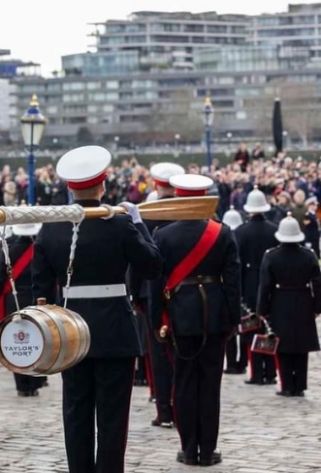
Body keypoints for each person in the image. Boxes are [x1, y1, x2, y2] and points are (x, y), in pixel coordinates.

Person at [32, 145, 162, 473]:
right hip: (114, 329)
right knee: (113, 418)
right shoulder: (119, 224)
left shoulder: (52, 226)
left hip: (69, 329)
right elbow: (152, 265)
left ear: (69, 187)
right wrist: (138, 223)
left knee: (76, 412)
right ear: (103, 185)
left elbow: (40, 285)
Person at [149, 174, 241, 467]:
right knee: (210, 386)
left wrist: (155, 321)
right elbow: (233, 282)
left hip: (178, 317)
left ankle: (189, 448)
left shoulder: (162, 235)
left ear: (177, 197)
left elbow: (154, 284)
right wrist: (232, 320)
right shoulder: (223, 233)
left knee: (184, 383)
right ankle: (207, 449)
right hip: (214, 317)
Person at [133, 161, 184, 429]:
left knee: (159, 356)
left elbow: (135, 261)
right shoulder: (189, 214)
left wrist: (135, 294)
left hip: (150, 292)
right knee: (184, 356)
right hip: (185, 293)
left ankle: (164, 410)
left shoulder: (144, 218)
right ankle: (183, 407)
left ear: (155, 185)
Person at [257, 214, 321, 397]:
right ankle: (300, 385)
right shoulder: (309, 255)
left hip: (280, 300)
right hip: (303, 301)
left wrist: (262, 309)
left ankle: (286, 385)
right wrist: (317, 307)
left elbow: (265, 285)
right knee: (301, 347)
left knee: (282, 346)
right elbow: (317, 283)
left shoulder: (271, 256)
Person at [0, 222, 46, 397]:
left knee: (16, 343)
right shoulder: (40, 250)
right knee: (38, 341)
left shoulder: (7, 250)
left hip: (12, 301)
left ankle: (22, 385)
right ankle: (36, 381)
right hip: (35, 299)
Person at [237, 188, 279, 385]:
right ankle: (271, 371)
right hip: (272, 283)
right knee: (268, 326)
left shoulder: (240, 232)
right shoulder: (275, 229)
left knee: (252, 328)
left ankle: (256, 373)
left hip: (249, 282)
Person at [221, 207, 244, 375]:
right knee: (247, 329)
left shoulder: (224, 237)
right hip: (250, 285)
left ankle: (230, 362)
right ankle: (242, 362)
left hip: (227, 285)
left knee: (230, 326)